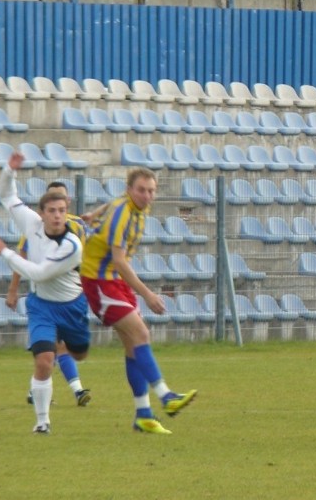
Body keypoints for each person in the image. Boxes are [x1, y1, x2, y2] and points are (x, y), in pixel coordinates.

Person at [80, 167, 197, 434]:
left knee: (134, 345)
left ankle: (143, 415)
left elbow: (112, 202)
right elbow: (120, 261)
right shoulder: (123, 213)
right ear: (130, 190)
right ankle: (166, 397)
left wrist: (94, 213)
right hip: (99, 281)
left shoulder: (133, 205)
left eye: (151, 190)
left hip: (113, 280)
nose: (147, 195)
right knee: (141, 333)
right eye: (142, 190)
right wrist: (148, 294)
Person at [0, 152, 91, 434]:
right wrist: (8, 170)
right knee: (44, 360)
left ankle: (70, 364)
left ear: (66, 210)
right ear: (41, 213)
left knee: (79, 354)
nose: (57, 216)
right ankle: (42, 421)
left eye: (61, 210)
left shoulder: (72, 245)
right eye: (51, 211)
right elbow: (8, 197)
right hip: (41, 306)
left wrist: (5, 252)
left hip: (72, 306)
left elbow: (40, 272)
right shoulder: (31, 224)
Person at [8, 180, 97, 408]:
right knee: (53, 346)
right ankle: (76, 390)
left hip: (72, 297)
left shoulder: (77, 228)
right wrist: (13, 289)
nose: (56, 212)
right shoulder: (36, 227)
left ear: (67, 203)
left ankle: (37, 389)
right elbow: (24, 255)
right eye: (51, 204)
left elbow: (88, 260)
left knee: (59, 348)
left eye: (62, 203)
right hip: (45, 298)